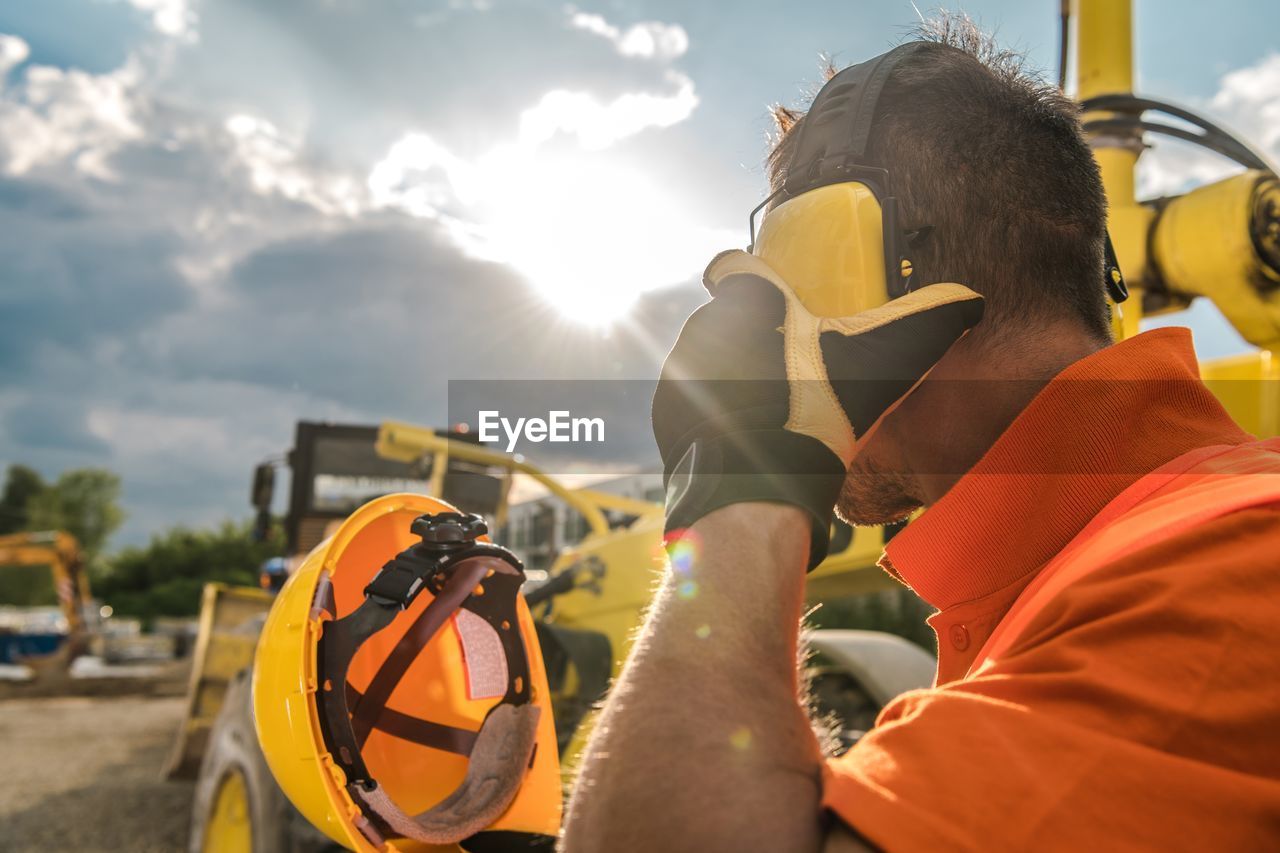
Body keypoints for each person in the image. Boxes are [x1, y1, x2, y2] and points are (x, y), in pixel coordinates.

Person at [560, 15, 1280, 852]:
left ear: (882, 284)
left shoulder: (1221, 572)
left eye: (785, 287)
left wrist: (741, 486)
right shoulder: (1091, 575)